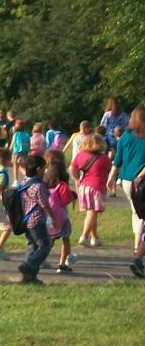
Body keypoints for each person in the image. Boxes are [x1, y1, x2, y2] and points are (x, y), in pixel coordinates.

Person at [107, 107, 145, 279]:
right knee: (141, 216)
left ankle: (138, 248)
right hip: (141, 180)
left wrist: (111, 176)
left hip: (127, 180)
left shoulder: (125, 137)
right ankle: (138, 250)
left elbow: (118, 160)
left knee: (136, 213)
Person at [71, 132, 111, 248]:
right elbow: (109, 169)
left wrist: (77, 179)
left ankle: (95, 238)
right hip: (97, 187)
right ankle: (84, 236)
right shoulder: (103, 158)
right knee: (92, 212)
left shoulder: (80, 155)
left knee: (91, 212)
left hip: (83, 186)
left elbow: (72, 168)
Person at [16, 155, 51, 284]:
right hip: (37, 220)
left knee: (32, 246)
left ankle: (30, 277)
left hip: (26, 220)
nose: (45, 171)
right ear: (38, 169)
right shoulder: (38, 186)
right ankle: (28, 266)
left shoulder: (24, 182)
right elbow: (45, 205)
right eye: (44, 168)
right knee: (45, 246)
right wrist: (53, 217)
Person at [43, 158, 75, 274]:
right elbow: (66, 201)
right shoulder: (62, 186)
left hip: (48, 217)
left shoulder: (45, 185)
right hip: (62, 217)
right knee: (65, 238)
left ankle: (41, 258)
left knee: (50, 240)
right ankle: (62, 263)